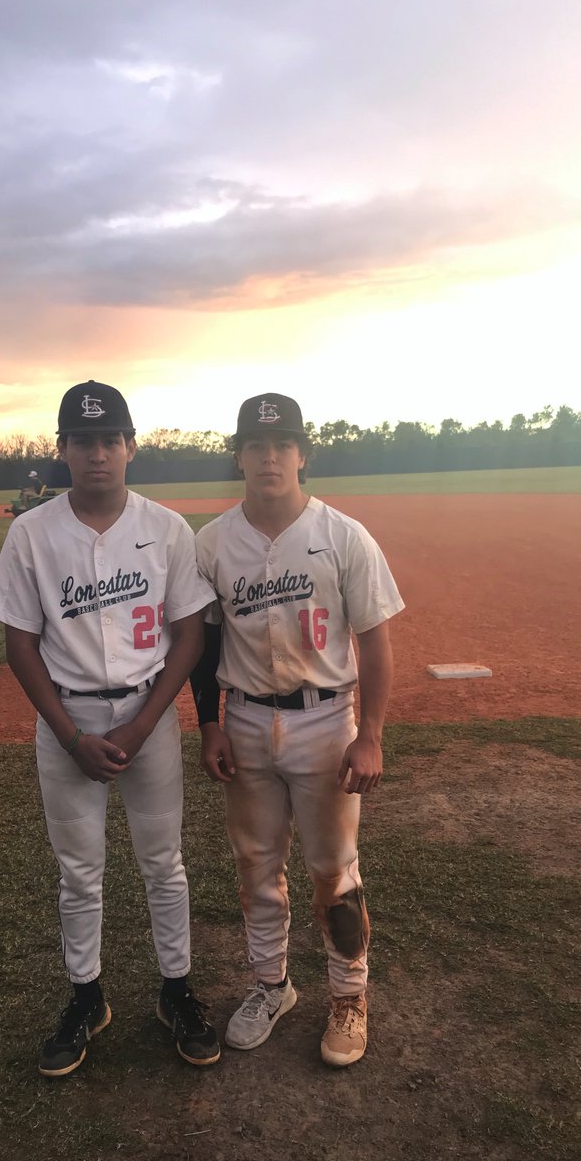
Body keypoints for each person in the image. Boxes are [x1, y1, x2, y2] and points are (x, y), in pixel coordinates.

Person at [0, 379, 220, 1075]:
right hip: (70, 720)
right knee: (80, 872)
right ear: (62, 450)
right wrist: (69, 736)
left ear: (131, 447)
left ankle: (176, 991)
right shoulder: (30, 532)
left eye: (109, 440)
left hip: (147, 716)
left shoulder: (167, 528)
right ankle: (86, 997)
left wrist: (148, 722)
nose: (97, 453)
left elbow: (189, 636)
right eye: (82, 441)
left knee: (163, 864)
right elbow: (19, 644)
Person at [190, 394, 404, 1067]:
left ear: (303, 454)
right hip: (247, 721)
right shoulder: (213, 542)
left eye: (282, 445)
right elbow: (201, 645)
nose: (270, 457)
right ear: (239, 457)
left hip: (324, 721)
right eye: (256, 446)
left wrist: (368, 734)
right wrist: (208, 724)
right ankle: (269, 985)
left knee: (333, 870)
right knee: (256, 865)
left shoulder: (343, 535)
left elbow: (374, 643)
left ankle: (349, 993)